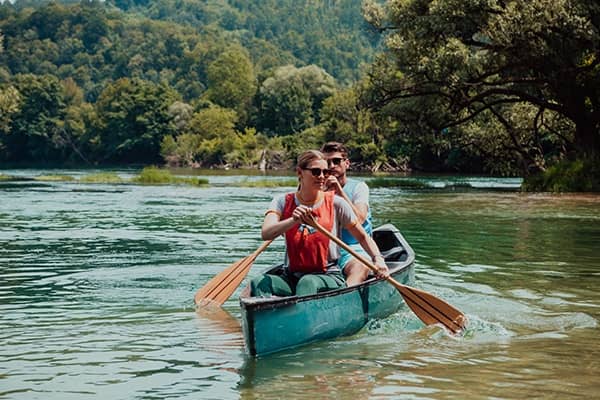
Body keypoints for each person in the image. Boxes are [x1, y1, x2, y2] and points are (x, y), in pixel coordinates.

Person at [250, 150, 388, 297]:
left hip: (327, 276)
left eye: (326, 172)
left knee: (308, 283)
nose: (322, 177)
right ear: (299, 172)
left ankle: (303, 315)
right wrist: (292, 220)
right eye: (316, 172)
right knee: (258, 283)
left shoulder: (337, 203)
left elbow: (362, 237)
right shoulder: (281, 201)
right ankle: (268, 316)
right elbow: (266, 233)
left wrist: (378, 260)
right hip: (291, 276)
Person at [320, 142, 373, 286]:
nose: (331, 166)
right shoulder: (317, 188)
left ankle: (344, 297)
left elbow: (360, 219)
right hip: (327, 249)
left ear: (347, 163)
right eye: (327, 162)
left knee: (360, 267)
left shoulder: (359, 188)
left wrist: (339, 191)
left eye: (336, 161)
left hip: (355, 248)